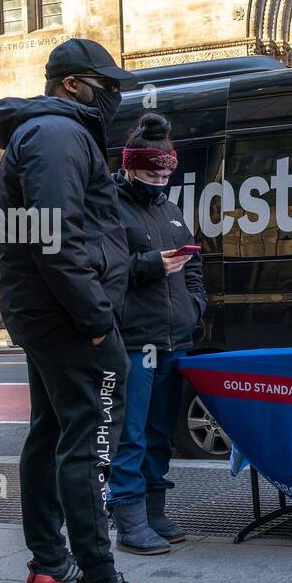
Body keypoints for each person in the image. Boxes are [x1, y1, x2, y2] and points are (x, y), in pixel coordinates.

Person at [0, 37, 171, 583]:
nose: (113, 94)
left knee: (51, 429)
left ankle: (50, 561)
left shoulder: (43, 133)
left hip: (49, 312)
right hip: (68, 316)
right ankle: (98, 582)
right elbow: (55, 237)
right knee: (90, 438)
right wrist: (95, 321)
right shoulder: (59, 135)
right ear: (71, 83)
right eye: (105, 83)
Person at [106, 112, 207, 553]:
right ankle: (128, 515)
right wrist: (148, 265)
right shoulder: (108, 206)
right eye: (151, 173)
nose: (159, 181)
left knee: (160, 431)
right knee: (131, 430)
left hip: (173, 338)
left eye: (166, 174)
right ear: (129, 167)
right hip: (133, 339)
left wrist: (196, 306)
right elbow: (99, 269)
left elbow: (196, 267)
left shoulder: (170, 208)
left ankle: (153, 511)